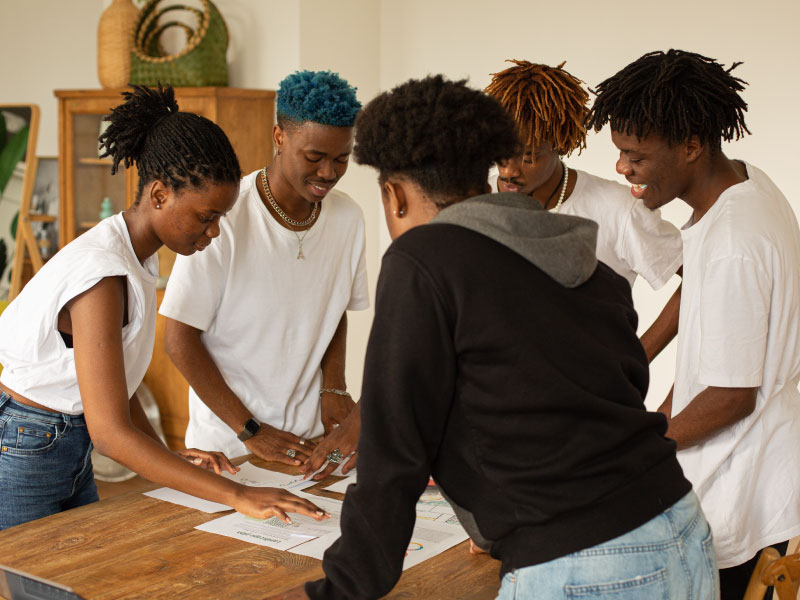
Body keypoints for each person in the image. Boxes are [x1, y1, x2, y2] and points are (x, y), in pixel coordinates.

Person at [278, 75, 717, 599]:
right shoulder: (576, 253)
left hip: (583, 562)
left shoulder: (422, 260)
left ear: (393, 195)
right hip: (682, 529)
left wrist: (339, 590)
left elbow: (393, 458)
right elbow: (608, 390)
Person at [0, 84, 326, 530]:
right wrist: (239, 495)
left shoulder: (134, 254)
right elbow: (111, 434)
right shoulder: (103, 276)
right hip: (29, 443)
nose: (214, 232)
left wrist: (170, 456)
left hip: (61, 441)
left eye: (220, 218)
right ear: (158, 195)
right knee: (26, 569)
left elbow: (115, 385)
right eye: (206, 216)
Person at [586, 48, 800, 600]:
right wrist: (651, 419)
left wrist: (636, 450)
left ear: (691, 144)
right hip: (752, 480)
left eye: (635, 155)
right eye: (620, 153)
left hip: (744, 502)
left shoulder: (734, 240)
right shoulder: (743, 188)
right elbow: (709, 345)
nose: (622, 168)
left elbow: (731, 397)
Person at [160, 70, 368, 466]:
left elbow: (333, 308)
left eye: (342, 159)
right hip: (229, 445)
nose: (329, 172)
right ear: (279, 137)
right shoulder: (223, 218)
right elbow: (179, 340)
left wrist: (335, 388)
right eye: (314, 157)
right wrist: (250, 429)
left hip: (308, 441)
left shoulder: (348, 218)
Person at [485, 60, 683, 362]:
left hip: (585, 387)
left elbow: (699, 277)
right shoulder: (471, 199)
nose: (508, 171)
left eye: (528, 157)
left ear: (560, 143)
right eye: (499, 154)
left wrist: (636, 358)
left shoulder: (618, 210)